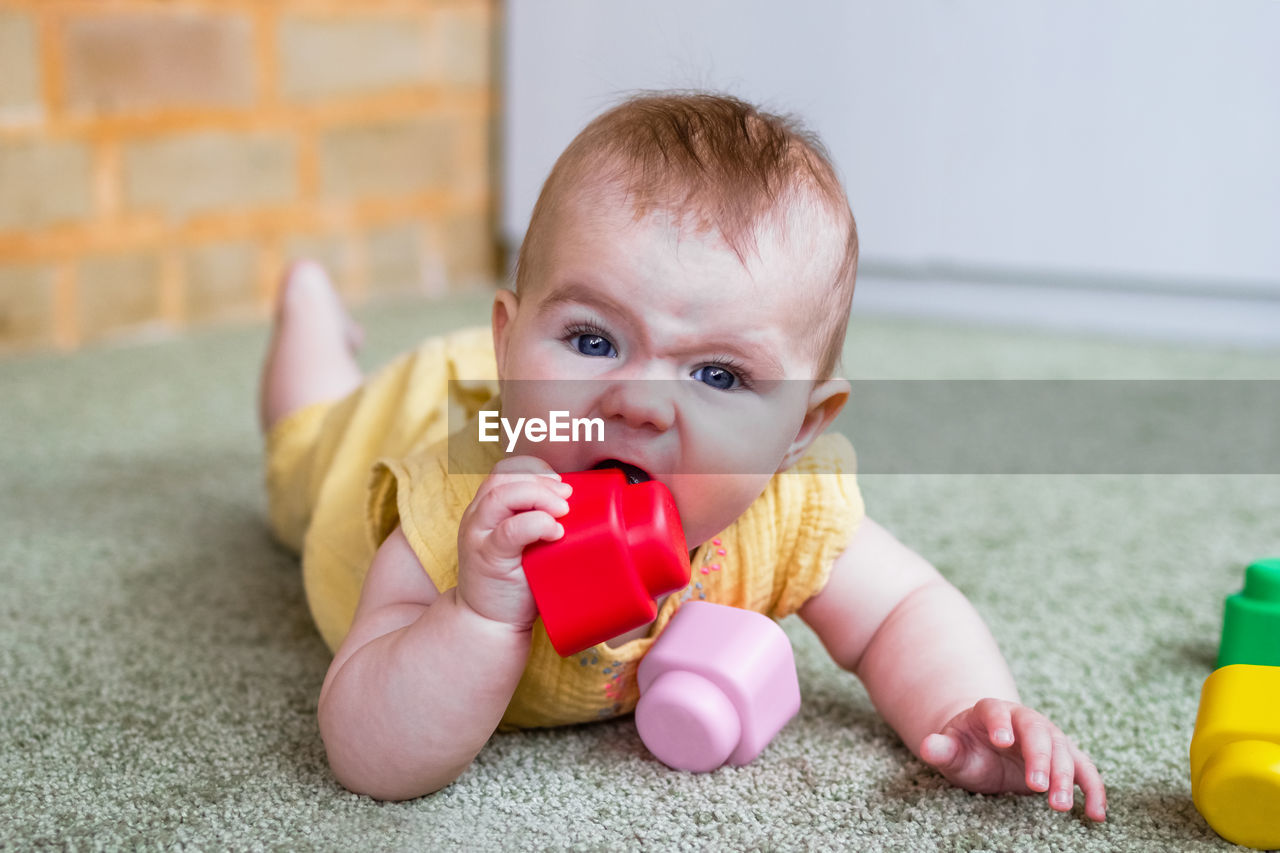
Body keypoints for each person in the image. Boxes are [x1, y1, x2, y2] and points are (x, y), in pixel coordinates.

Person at [259, 92, 1107, 818]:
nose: (638, 401)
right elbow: (367, 757)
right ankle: (309, 313)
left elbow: (902, 611)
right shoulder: (460, 510)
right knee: (306, 431)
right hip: (400, 416)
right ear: (511, 343)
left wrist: (967, 707)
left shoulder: (788, 506)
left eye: (716, 373)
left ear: (801, 429)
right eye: (591, 338)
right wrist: (478, 614)